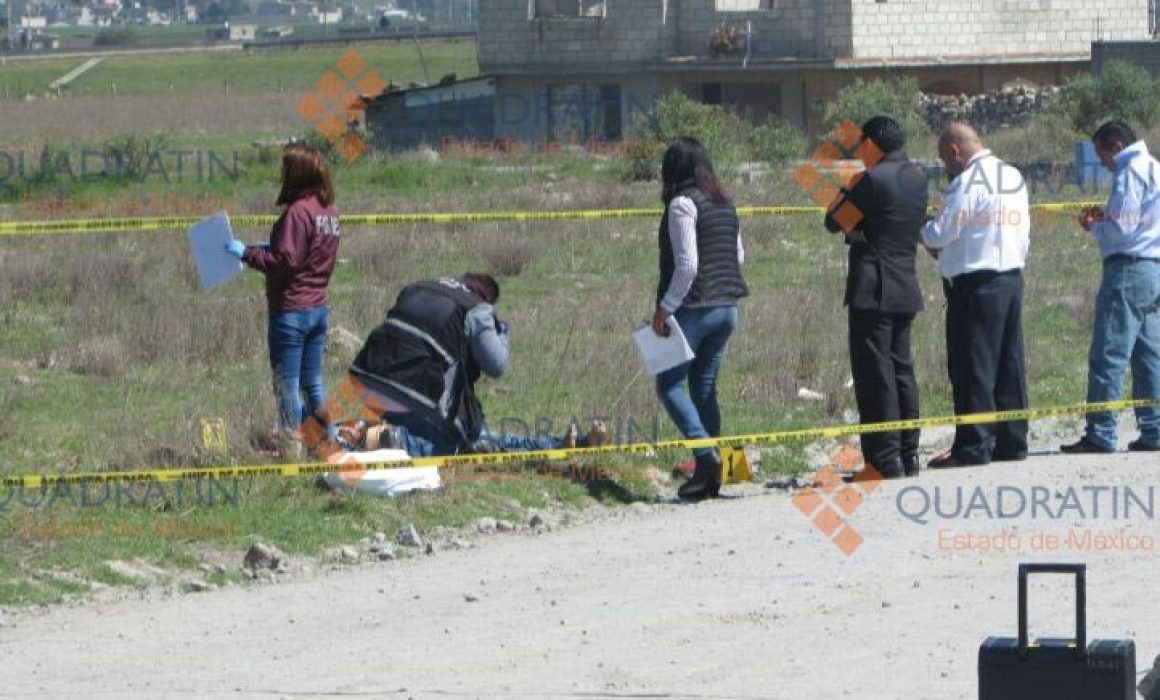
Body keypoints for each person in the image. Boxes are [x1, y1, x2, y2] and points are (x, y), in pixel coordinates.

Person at [326, 274, 607, 457]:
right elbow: (497, 365)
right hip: (414, 392)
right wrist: (503, 333)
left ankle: (561, 445)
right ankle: (361, 438)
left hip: (368, 376)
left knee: (479, 437)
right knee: (454, 444)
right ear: (489, 299)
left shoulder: (419, 286)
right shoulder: (477, 309)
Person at [824, 116, 929, 479]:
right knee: (902, 370)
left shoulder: (871, 179)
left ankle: (883, 459)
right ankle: (908, 453)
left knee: (875, 375)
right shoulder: (917, 177)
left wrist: (849, 185)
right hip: (905, 284)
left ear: (871, 145)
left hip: (873, 287)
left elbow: (834, 220)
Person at [921, 122, 1030, 468]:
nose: (945, 167)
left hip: (976, 284)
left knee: (972, 366)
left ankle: (973, 445)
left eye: (945, 160)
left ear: (955, 152)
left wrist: (920, 231)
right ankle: (1011, 440)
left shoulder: (968, 182)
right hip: (1010, 277)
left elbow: (941, 233)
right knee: (1008, 362)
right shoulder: (1011, 175)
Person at [651, 137, 748, 501]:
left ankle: (706, 458)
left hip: (694, 308)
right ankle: (713, 475)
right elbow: (738, 256)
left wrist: (666, 306)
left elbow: (688, 265)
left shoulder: (681, 204)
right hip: (728, 307)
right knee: (704, 387)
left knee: (669, 385)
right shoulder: (724, 202)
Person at [226, 143, 340, 448]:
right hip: (318, 307)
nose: (282, 174)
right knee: (312, 382)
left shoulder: (297, 213)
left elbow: (286, 263)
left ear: (297, 173)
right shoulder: (328, 211)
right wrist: (267, 249)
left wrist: (247, 254)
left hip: (291, 310)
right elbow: (304, 256)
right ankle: (326, 443)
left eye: (286, 169)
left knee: (286, 385)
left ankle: (293, 448)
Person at [1061, 120, 1160, 454]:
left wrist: (1095, 227)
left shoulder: (1129, 171)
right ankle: (1154, 428)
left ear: (1116, 146)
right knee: (1149, 355)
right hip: (1152, 269)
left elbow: (1124, 229)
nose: (1103, 163)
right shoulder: (1153, 168)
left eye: (1102, 154)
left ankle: (1101, 431)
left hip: (1128, 270)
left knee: (1109, 352)